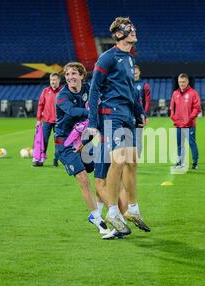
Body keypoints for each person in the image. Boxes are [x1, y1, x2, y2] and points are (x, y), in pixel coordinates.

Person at [87, 17, 149, 235]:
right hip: (111, 114)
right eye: (129, 29)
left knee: (132, 162)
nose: (134, 32)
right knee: (119, 159)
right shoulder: (107, 58)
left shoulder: (130, 58)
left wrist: (139, 111)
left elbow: (132, 90)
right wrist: (93, 123)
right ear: (119, 34)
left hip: (127, 114)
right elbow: (94, 90)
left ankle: (133, 209)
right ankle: (113, 210)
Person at [54, 62, 110, 236]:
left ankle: (98, 210)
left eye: (74, 74)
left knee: (102, 171)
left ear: (81, 76)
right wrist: (95, 112)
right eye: (68, 74)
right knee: (83, 178)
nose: (70, 77)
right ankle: (97, 218)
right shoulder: (62, 96)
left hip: (84, 140)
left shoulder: (89, 89)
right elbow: (72, 112)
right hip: (65, 143)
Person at [169, 73, 201, 170]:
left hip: (189, 125)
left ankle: (195, 163)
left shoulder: (193, 93)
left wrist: (190, 118)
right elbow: (171, 108)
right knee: (179, 144)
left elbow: (197, 108)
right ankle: (180, 162)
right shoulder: (175, 93)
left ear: (187, 82)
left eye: (183, 82)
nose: (181, 84)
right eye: (180, 82)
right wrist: (173, 117)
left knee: (192, 144)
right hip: (178, 124)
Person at [35, 72, 62, 167]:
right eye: (51, 80)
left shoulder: (63, 91)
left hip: (59, 121)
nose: (52, 82)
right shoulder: (45, 91)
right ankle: (40, 160)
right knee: (43, 141)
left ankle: (56, 159)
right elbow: (40, 105)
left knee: (58, 142)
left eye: (54, 80)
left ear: (59, 80)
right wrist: (38, 119)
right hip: (46, 120)